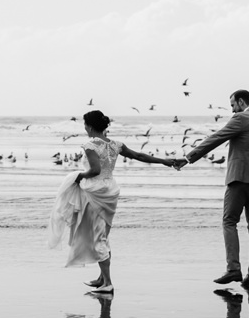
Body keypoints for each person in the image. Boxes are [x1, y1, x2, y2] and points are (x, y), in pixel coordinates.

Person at [48, 109, 183, 293]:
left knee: (98, 237)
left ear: (89, 126)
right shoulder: (116, 144)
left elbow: (94, 171)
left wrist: (78, 176)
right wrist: (165, 161)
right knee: (103, 233)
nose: (85, 128)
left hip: (95, 192)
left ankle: (108, 283)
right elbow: (140, 156)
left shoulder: (89, 145)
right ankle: (101, 278)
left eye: (85, 125)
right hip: (110, 190)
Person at [182, 88, 249, 288]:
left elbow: (216, 138)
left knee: (229, 221)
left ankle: (233, 269)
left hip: (239, 179)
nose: (232, 110)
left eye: (233, 105)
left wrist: (188, 157)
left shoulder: (241, 119)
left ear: (241, 102)